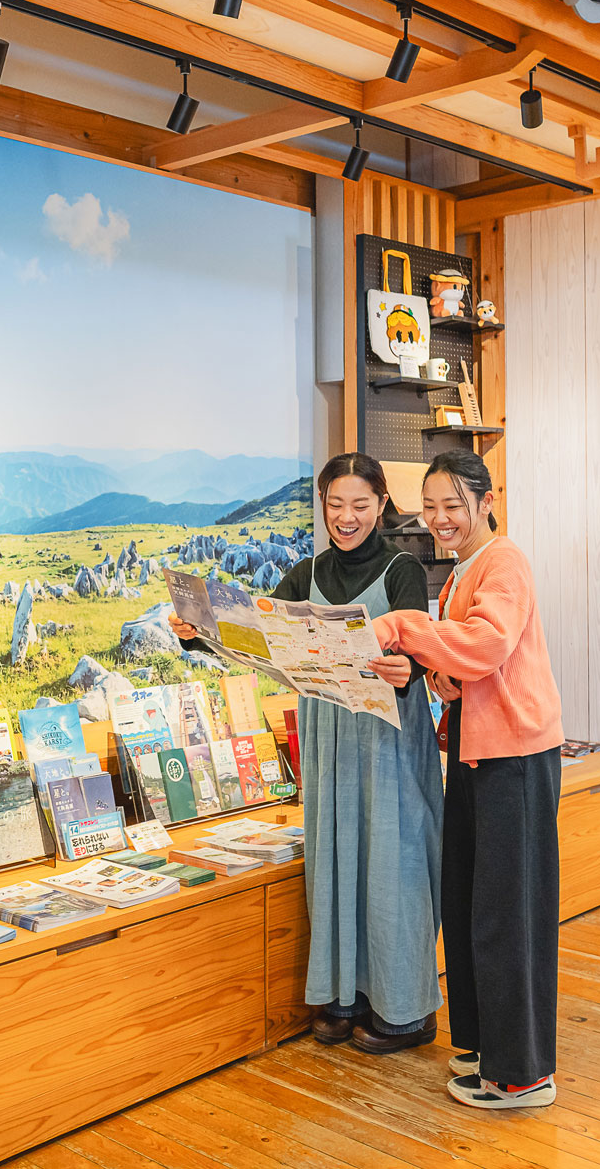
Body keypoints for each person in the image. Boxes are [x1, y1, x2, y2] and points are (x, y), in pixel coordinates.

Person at [169, 451, 443, 1053]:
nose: (347, 517)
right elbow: (258, 638)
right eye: (335, 504)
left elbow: (423, 650)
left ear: (381, 505)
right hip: (327, 738)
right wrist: (198, 635)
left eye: (360, 505)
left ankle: (406, 1010)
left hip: (387, 741)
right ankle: (345, 996)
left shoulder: (402, 570)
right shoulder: (305, 573)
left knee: (393, 864)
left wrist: (411, 669)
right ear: (323, 505)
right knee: (335, 857)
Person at [372, 449, 565, 1110]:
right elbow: (462, 664)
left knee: (508, 913)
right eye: (430, 507)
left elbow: (485, 645)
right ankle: (488, 1047)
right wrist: (439, 675)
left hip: (515, 756)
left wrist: (405, 628)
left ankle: (522, 1075)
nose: (440, 519)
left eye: (453, 505)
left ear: (486, 502)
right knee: (470, 903)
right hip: (476, 753)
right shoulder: (461, 569)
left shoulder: (504, 561)